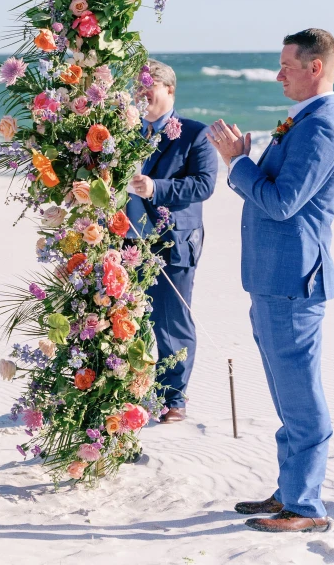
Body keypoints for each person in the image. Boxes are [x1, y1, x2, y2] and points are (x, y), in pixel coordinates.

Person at [207, 28, 334, 533]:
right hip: (271, 279)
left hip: (294, 282)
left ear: (315, 68)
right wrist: (248, 159)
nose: (278, 73)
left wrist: (238, 163)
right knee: (285, 392)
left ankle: (306, 507)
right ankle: (291, 491)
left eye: (287, 64)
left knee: (301, 395)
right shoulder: (302, 122)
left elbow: (282, 202)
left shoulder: (321, 128)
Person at [125, 59, 218, 424]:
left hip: (174, 241)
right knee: (126, 319)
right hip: (127, 243)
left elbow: (203, 185)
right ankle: (129, 392)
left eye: (150, 85)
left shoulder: (195, 133)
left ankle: (173, 400)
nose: (142, 93)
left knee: (171, 322)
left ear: (170, 89)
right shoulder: (127, 134)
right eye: (138, 86)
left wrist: (156, 188)